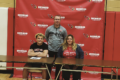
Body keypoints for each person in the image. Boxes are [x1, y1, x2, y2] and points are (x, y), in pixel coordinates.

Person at [45, 15, 67, 80]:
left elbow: (65, 39)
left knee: (58, 65)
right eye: (56, 19)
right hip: (50, 49)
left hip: (59, 50)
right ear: (53, 20)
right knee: (49, 64)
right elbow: (46, 37)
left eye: (58, 19)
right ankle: (47, 77)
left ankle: (56, 78)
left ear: (60, 20)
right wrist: (51, 43)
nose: (57, 20)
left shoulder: (63, 29)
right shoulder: (49, 28)